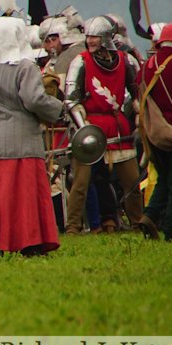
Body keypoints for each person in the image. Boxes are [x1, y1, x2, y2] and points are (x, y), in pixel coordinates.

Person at [0, 17, 63, 256]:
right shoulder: (24, 67)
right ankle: (31, 243)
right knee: (24, 196)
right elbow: (34, 100)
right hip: (22, 140)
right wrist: (58, 108)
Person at [64, 16, 143, 234]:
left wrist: (140, 118)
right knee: (80, 183)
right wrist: (85, 127)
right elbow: (71, 99)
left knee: (132, 183)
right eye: (88, 36)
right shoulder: (80, 61)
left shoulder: (126, 61)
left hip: (118, 126)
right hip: (90, 127)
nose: (90, 40)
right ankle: (72, 228)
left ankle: (138, 223)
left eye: (95, 36)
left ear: (106, 38)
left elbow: (137, 93)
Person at [139, 23, 172, 241]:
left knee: (165, 178)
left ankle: (149, 216)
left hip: (154, 132)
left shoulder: (147, 65)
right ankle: (170, 230)